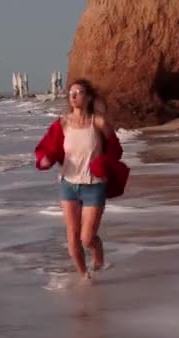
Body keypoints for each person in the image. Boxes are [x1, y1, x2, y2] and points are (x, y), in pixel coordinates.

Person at [34, 79, 129, 280]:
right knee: (72, 236)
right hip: (68, 184)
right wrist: (46, 160)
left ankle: (98, 252)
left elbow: (116, 151)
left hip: (94, 185)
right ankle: (84, 276)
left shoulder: (99, 122)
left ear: (88, 97)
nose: (74, 95)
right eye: (71, 93)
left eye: (79, 92)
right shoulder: (62, 123)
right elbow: (49, 148)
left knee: (87, 238)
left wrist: (103, 164)